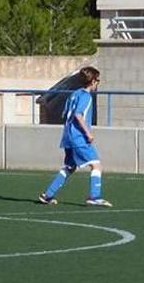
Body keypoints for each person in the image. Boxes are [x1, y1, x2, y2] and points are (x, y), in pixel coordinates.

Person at [39, 66, 112, 207]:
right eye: (98, 80)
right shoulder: (86, 96)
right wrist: (87, 132)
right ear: (93, 82)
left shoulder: (73, 94)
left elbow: (65, 114)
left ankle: (47, 195)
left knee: (70, 166)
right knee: (96, 165)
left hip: (68, 136)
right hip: (79, 137)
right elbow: (78, 115)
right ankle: (94, 196)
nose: (98, 83)